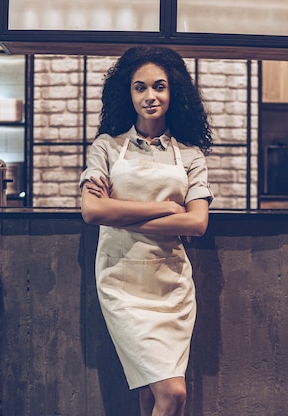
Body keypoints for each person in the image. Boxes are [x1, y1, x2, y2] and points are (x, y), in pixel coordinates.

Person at [79, 46, 213, 416]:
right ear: (128, 93)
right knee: (173, 393)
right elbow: (92, 211)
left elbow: (197, 222)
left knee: (153, 395)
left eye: (159, 87)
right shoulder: (106, 147)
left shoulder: (190, 155)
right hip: (121, 282)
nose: (150, 96)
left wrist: (118, 212)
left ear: (174, 93)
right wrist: (165, 208)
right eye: (140, 88)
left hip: (172, 285)